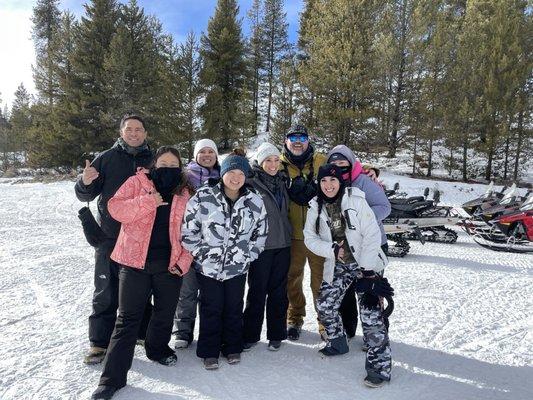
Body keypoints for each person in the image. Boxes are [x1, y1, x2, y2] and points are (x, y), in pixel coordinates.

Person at [91, 146, 193, 400]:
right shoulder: (137, 182)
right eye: (163, 163)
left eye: (173, 164)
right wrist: (149, 201)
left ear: (179, 167)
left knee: (164, 313)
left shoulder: (186, 192)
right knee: (127, 319)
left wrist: (183, 261)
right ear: (154, 164)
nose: (168, 168)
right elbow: (115, 209)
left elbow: (194, 231)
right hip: (134, 263)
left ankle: (156, 348)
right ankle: (111, 379)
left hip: (169, 265)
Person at [303, 164, 393, 388]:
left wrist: (368, 271)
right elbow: (309, 238)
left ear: (340, 182)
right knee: (324, 303)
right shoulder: (316, 206)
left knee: (371, 315)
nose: (328, 185)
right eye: (324, 181)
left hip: (367, 263)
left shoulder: (356, 200)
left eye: (333, 181)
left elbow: (372, 234)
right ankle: (337, 341)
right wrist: (331, 249)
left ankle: (379, 368)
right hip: (339, 264)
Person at [75, 114, 153, 364]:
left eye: (138, 129)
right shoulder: (107, 158)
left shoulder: (154, 159)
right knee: (106, 289)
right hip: (110, 235)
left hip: (143, 236)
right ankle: (99, 342)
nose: (133, 133)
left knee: (140, 288)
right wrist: (84, 182)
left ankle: (142, 332)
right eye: (128, 129)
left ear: (145, 133)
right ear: (121, 133)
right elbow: (85, 191)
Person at [181, 150, 268, 370]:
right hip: (208, 267)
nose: (236, 177)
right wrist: (201, 253)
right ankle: (209, 350)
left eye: (241, 172)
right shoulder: (203, 196)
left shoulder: (254, 201)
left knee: (233, 307)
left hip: (237, 267)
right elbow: (189, 230)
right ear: (223, 173)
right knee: (211, 307)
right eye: (231, 171)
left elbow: (261, 233)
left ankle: (232, 347)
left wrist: (248, 254)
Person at [325, 145, 391, 342]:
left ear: (350, 163)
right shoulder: (329, 183)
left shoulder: (362, 181)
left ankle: (376, 334)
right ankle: (348, 328)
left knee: (370, 291)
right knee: (345, 292)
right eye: (334, 164)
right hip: (343, 247)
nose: (338, 167)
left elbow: (384, 207)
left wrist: (362, 221)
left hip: (371, 245)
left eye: (342, 163)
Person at [242, 143, 292, 352]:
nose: (272, 165)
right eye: (268, 160)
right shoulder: (251, 184)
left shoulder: (283, 182)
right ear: (260, 162)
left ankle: (276, 334)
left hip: (284, 244)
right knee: (257, 291)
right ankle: (250, 334)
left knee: (279, 291)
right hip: (262, 247)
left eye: (276, 160)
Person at [279, 124, 326, 341]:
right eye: (293, 137)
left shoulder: (321, 161)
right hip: (292, 234)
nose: (298, 141)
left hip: (318, 234)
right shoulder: (277, 164)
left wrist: (369, 172)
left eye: (302, 137)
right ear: (286, 141)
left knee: (321, 280)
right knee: (292, 278)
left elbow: (347, 170)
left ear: (308, 140)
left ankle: (325, 321)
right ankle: (295, 317)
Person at [174, 139, 220, 349]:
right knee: (187, 290)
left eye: (211, 151)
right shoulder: (183, 177)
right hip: (186, 242)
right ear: (195, 155)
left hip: (213, 244)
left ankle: (209, 332)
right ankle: (183, 331)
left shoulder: (223, 177)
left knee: (211, 292)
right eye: (202, 152)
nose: (207, 155)